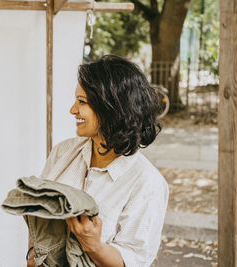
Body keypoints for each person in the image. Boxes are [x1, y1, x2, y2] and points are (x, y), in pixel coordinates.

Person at [27, 55, 169, 267]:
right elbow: (37, 214)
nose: (73, 110)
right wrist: (32, 256)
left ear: (111, 108)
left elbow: (134, 260)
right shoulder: (62, 152)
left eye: (82, 102)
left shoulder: (147, 184)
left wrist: (93, 245)